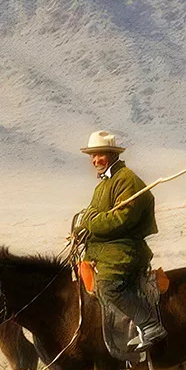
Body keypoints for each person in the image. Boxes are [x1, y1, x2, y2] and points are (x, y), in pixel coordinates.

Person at [77, 130, 167, 349]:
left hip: (125, 250)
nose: (95, 160)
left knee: (108, 285)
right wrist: (81, 229)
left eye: (100, 155)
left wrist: (89, 221)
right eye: (92, 155)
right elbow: (93, 216)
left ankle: (149, 325)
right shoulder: (104, 185)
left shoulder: (128, 181)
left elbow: (120, 221)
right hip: (106, 249)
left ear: (112, 154)